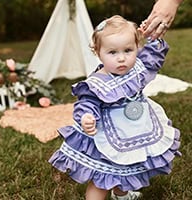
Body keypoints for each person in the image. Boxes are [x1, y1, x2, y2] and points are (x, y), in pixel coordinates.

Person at [49, 15, 181, 200]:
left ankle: (121, 193)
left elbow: (152, 58)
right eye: (112, 53)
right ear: (98, 52)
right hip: (109, 131)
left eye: (128, 50)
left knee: (128, 164)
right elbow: (87, 102)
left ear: (137, 47)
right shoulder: (97, 83)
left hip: (136, 126)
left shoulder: (137, 67)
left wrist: (153, 37)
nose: (122, 59)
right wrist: (87, 116)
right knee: (103, 175)